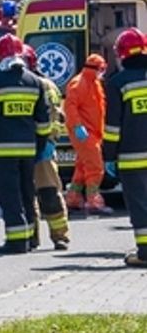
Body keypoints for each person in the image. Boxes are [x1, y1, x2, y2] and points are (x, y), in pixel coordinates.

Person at [0, 34, 52, 254]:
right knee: (26, 193)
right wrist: (40, 147)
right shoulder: (35, 82)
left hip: (2, 151)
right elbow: (43, 121)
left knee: (9, 195)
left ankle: (16, 241)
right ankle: (31, 238)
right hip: (28, 150)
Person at [102, 29, 147, 267]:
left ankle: (145, 252)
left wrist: (108, 156)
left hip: (133, 157)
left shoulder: (118, 83)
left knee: (140, 204)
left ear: (121, 55)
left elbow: (112, 127)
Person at [23, 45, 70, 250]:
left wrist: (49, 141)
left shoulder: (44, 85)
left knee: (49, 192)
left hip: (41, 147)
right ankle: (31, 236)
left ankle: (59, 235)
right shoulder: (18, 83)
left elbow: (55, 116)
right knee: (26, 195)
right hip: (22, 147)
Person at [64, 53, 110, 215]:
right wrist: (77, 126)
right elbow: (70, 106)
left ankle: (73, 197)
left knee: (82, 166)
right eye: (101, 69)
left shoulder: (93, 82)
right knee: (95, 167)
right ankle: (93, 200)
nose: (102, 72)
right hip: (84, 132)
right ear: (94, 68)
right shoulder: (79, 83)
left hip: (92, 132)